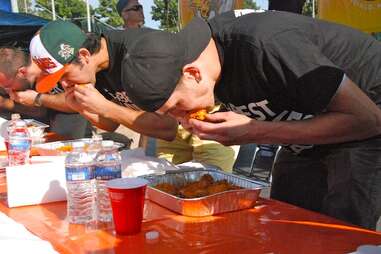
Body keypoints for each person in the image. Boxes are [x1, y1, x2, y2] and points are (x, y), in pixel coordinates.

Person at [115, 10, 381, 230]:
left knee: (341, 225)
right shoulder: (207, 65)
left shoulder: (266, 44)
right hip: (306, 125)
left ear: (193, 73)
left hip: (366, 114)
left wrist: (257, 131)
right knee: (284, 220)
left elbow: (368, 120)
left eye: (178, 107)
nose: (183, 122)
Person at [115, 0, 238, 171]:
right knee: (169, 180)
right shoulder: (116, 43)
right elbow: (152, 103)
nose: (141, 11)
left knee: (213, 178)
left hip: (204, 109)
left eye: (141, 6)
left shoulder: (155, 38)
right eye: (135, 8)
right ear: (123, 14)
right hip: (173, 123)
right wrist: (141, 147)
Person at [28, 20, 178, 143]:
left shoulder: (138, 54)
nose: (64, 85)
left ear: (84, 55)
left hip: (194, 123)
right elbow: (110, 123)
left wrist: (105, 107)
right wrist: (82, 108)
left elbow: (168, 127)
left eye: (65, 75)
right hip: (163, 131)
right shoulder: (93, 69)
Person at [0, 47, 92, 139]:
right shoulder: (24, 81)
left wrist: (38, 98)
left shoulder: (55, 66)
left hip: (73, 125)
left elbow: (80, 100)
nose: (8, 90)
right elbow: (39, 111)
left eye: (8, 86)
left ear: (22, 72)